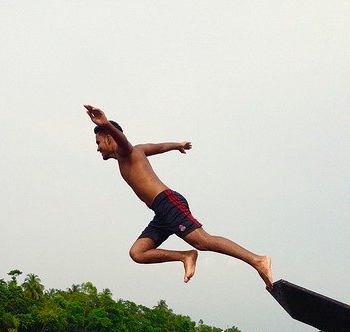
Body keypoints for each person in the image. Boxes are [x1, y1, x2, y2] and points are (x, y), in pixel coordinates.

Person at [84, 104, 273, 289]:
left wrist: (106, 123)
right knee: (138, 253)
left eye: (98, 142)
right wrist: (177, 145)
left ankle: (257, 260)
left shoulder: (125, 151)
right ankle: (185, 256)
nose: (98, 148)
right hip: (161, 210)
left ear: (109, 138)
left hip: (168, 202)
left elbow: (123, 141)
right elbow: (159, 147)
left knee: (202, 240)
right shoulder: (137, 150)